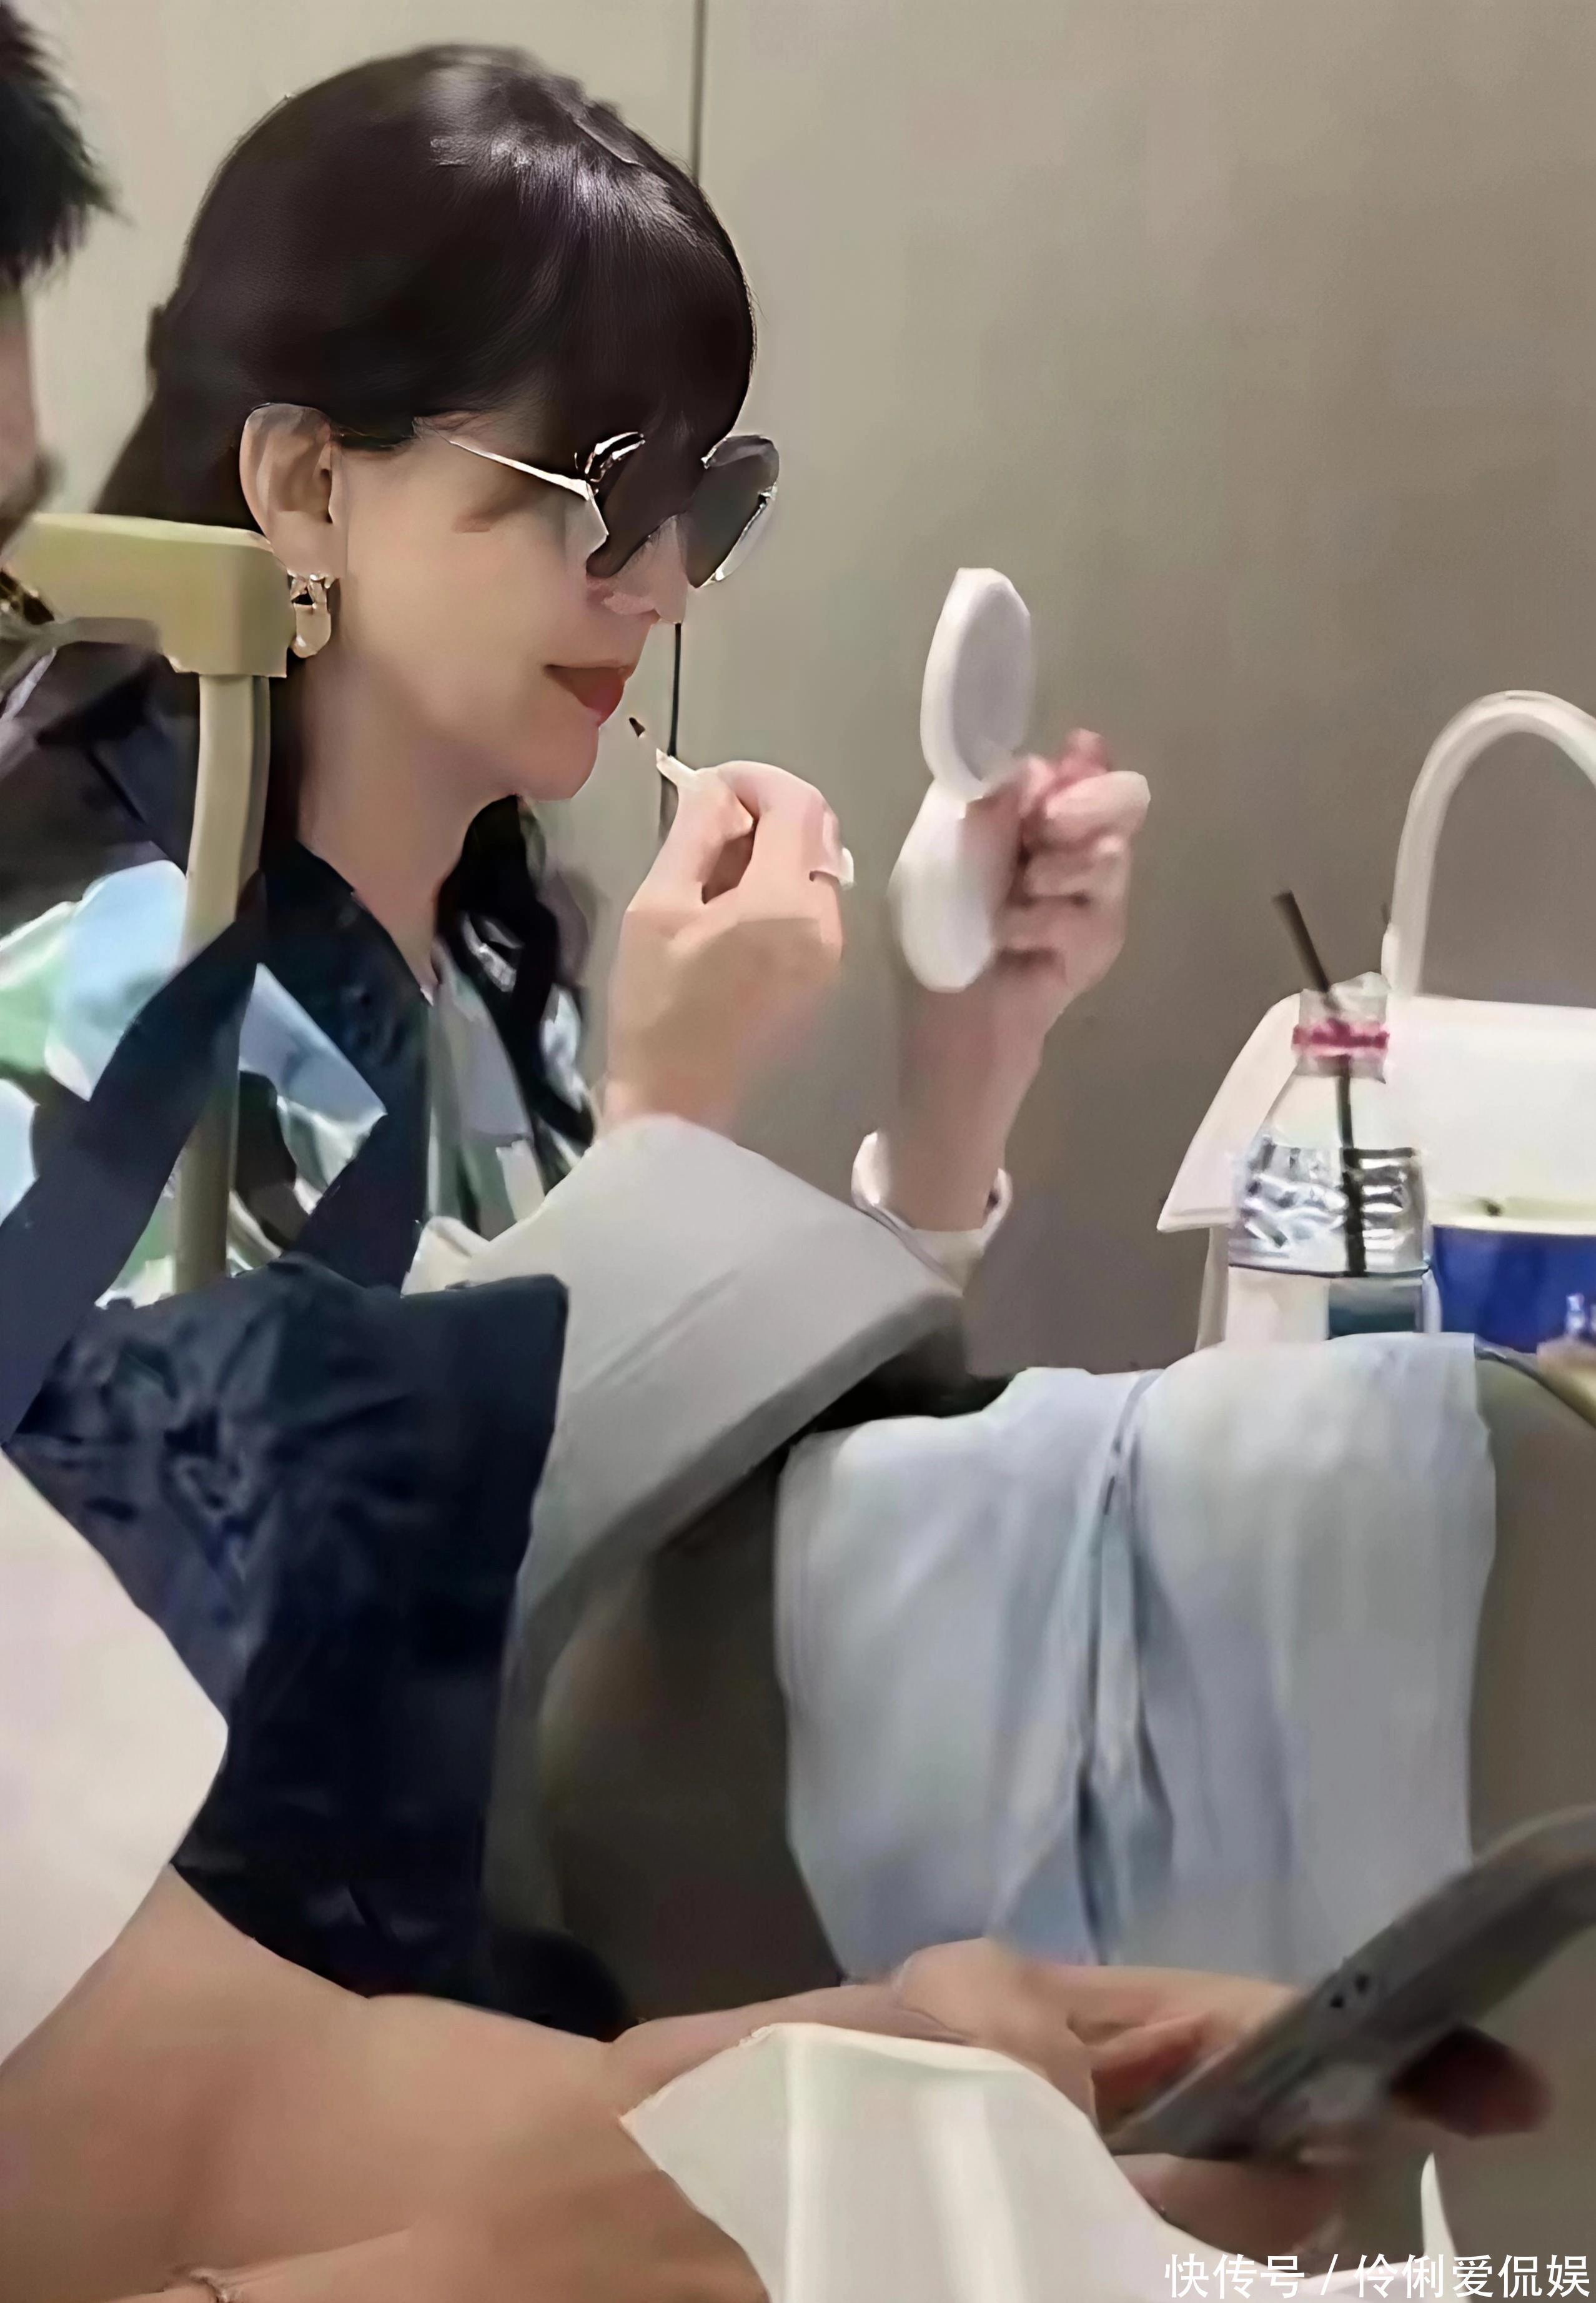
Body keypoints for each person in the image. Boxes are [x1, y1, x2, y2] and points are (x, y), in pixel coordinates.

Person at [0, 41, 1144, 2006]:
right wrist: (663, 1138)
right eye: (598, 496)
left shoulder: (477, 973)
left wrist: (958, 1071)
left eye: (703, 496)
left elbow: (697, 1566)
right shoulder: (109, 1018)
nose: (663, 585)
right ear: (307, 485)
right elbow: (291, 1721)